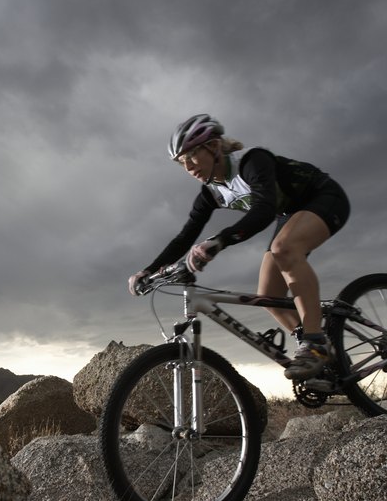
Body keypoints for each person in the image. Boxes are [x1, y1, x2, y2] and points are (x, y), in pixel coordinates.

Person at [128, 114, 350, 380]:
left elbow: (264, 210)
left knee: (284, 250)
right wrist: (148, 270)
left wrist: (219, 241)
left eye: (192, 156)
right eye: (182, 162)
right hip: (290, 214)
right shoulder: (212, 192)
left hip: (323, 196)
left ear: (213, 146)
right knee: (269, 297)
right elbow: (184, 237)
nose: (188, 167)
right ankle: (324, 351)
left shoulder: (252, 161)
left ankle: (316, 345)